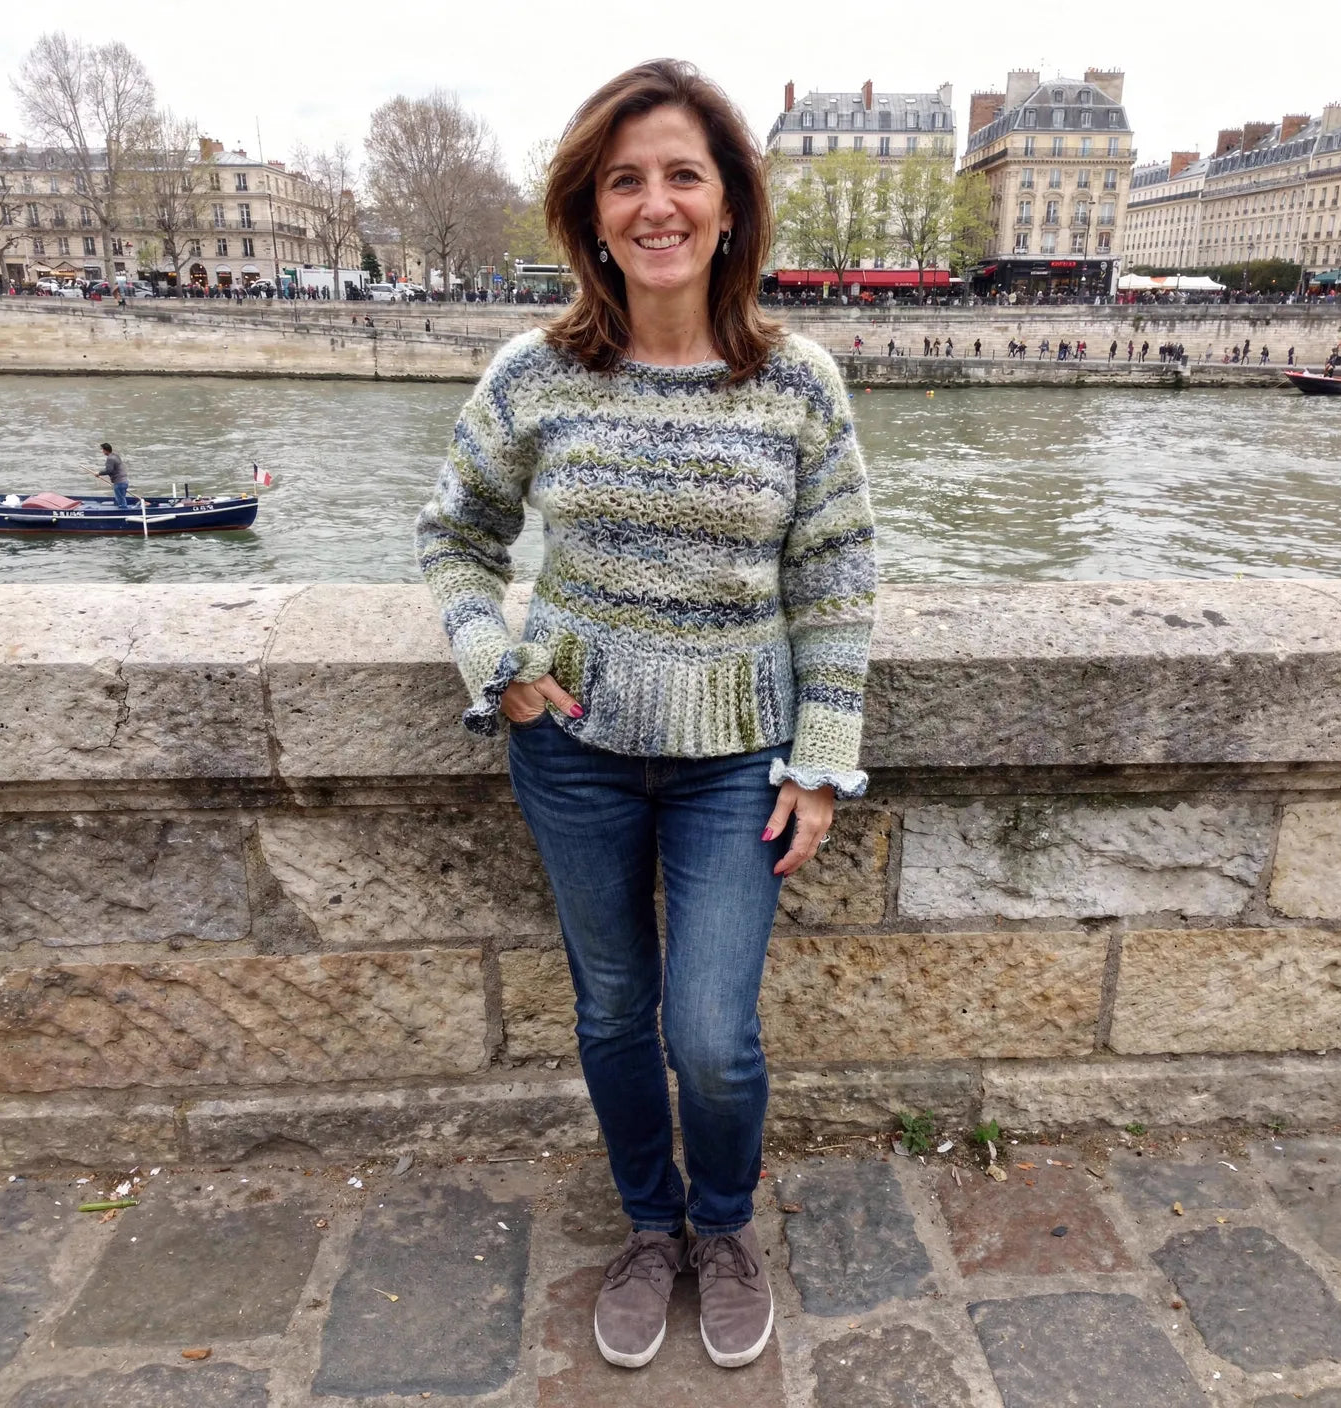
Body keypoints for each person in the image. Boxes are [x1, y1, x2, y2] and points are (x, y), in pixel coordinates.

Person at [416, 59, 874, 1374]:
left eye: (684, 174)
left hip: (740, 763)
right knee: (615, 1012)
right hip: (573, 754)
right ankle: (647, 1228)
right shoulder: (535, 375)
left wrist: (826, 759)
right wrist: (491, 659)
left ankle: (723, 1227)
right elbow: (455, 534)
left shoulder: (797, 385)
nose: (657, 203)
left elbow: (836, 579)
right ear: (591, 212)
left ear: (728, 204)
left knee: (711, 1039)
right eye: (627, 180)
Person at [96, 441, 130, 510]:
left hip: (119, 483)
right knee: (121, 499)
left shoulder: (110, 458)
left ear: (105, 450)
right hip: (125, 481)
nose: (102, 452)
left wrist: (99, 473)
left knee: (121, 503)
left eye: (103, 450)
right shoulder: (116, 456)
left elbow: (109, 470)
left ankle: (122, 514)